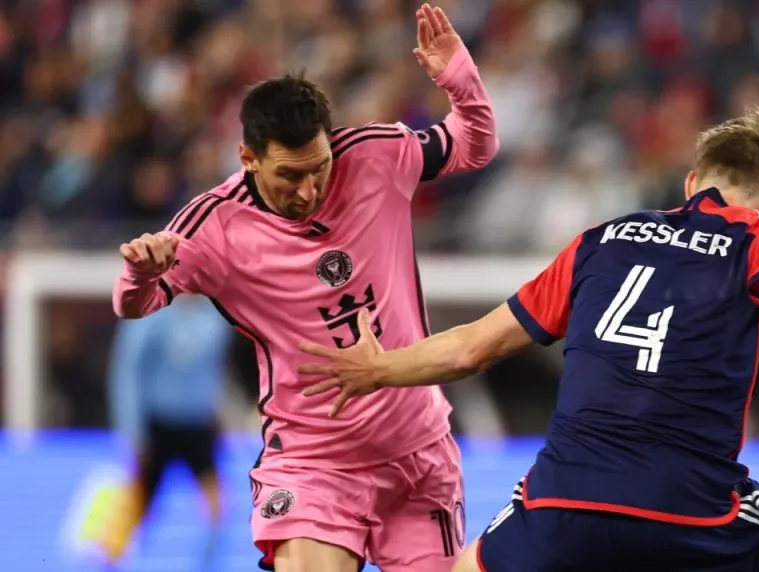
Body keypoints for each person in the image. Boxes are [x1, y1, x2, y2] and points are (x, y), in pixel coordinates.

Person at [295, 107, 759, 572]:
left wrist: (377, 369)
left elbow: (471, 348)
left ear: (691, 183)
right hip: (692, 512)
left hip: (562, 504)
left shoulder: (599, 242)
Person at [111, 4, 498, 571]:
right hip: (314, 463)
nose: (310, 187)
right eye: (289, 175)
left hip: (418, 453)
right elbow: (134, 304)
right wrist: (140, 271)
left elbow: (474, 146)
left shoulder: (374, 154)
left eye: (317, 166)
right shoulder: (213, 226)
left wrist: (458, 77)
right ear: (248, 158)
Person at [104, 294, 232, 567]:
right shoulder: (151, 313)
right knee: (136, 508)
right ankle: (109, 563)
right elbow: (127, 373)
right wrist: (133, 431)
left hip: (198, 426)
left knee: (217, 508)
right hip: (157, 427)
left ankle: (207, 565)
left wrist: (218, 415)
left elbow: (214, 370)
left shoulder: (216, 315)